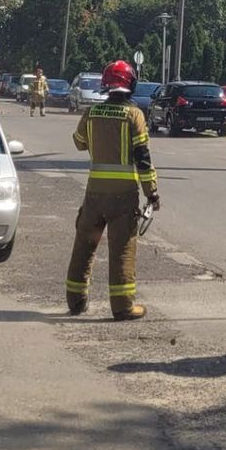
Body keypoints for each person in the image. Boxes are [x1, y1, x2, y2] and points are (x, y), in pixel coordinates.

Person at [65, 59, 160, 319]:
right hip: (123, 198)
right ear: (131, 84)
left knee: (84, 246)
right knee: (122, 251)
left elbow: (79, 143)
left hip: (94, 195)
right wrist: (151, 192)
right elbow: (143, 158)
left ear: (106, 85)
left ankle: (75, 300)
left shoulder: (92, 112)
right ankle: (123, 306)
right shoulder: (134, 115)